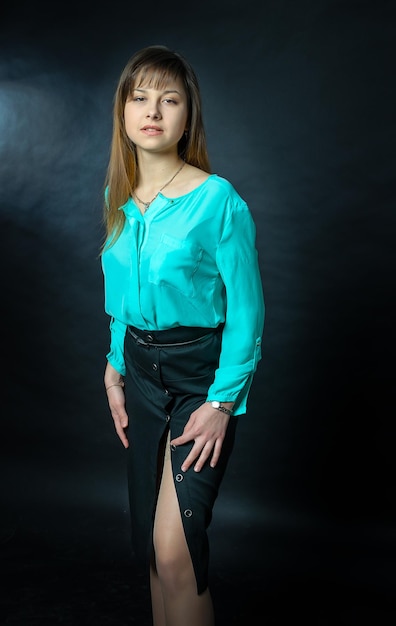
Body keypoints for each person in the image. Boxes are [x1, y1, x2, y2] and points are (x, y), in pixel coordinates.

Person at [100, 44, 265, 626]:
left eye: (169, 99)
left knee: (177, 553)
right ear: (123, 113)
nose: (153, 110)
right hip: (140, 378)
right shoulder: (120, 203)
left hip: (202, 377)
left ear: (187, 115)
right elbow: (121, 302)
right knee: (149, 548)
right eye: (139, 98)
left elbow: (247, 312)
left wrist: (223, 401)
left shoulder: (217, 200)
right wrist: (115, 366)